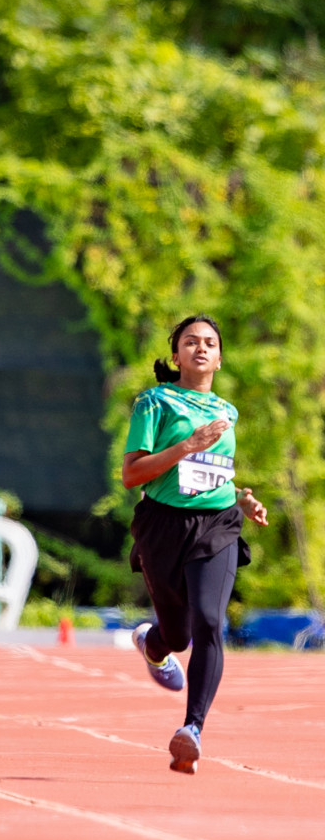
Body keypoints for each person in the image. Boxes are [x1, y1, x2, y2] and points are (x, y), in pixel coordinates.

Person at [123, 314, 266, 775]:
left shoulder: (229, 412)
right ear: (176, 354)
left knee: (209, 622)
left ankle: (192, 730)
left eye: (209, 343)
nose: (200, 348)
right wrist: (187, 445)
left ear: (219, 358)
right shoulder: (154, 402)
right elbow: (132, 475)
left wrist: (242, 499)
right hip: (162, 527)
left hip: (217, 525)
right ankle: (154, 642)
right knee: (179, 634)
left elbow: (215, 473)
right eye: (190, 342)